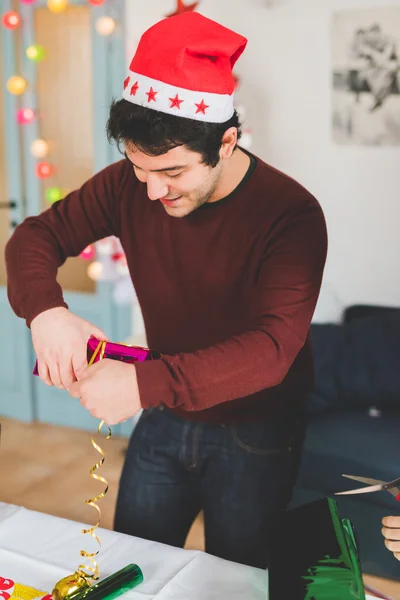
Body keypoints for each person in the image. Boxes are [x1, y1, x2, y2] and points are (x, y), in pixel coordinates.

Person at [5, 12, 327, 569]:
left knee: (236, 577)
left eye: (173, 172)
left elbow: (273, 349)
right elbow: (35, 236)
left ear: (226, 143)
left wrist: (141, 384)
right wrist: (47, 313)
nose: (153, 190)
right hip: (163, 413)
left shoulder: (291, 214)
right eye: (138, 167)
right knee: (133, 567)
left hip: (257, 431)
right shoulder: (129, 184)